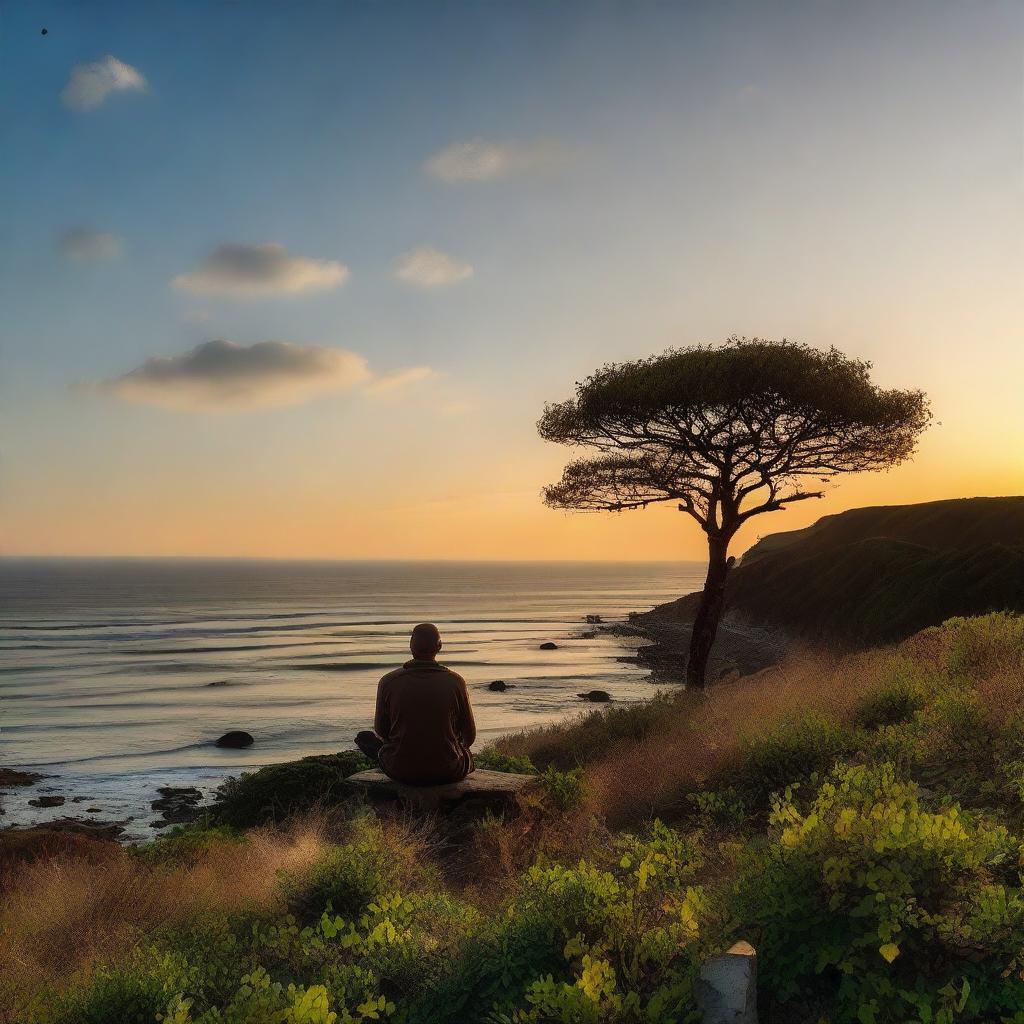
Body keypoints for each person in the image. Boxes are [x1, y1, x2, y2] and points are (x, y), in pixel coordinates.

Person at [355, 622, 476, 785]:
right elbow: (470, 736)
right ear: (439, 646)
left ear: (411, 645)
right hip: (448, 771)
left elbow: (381, 730)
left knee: (369, 740)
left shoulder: (388, 681)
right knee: (464, 753)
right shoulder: (455, 682)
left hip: (400, 770)